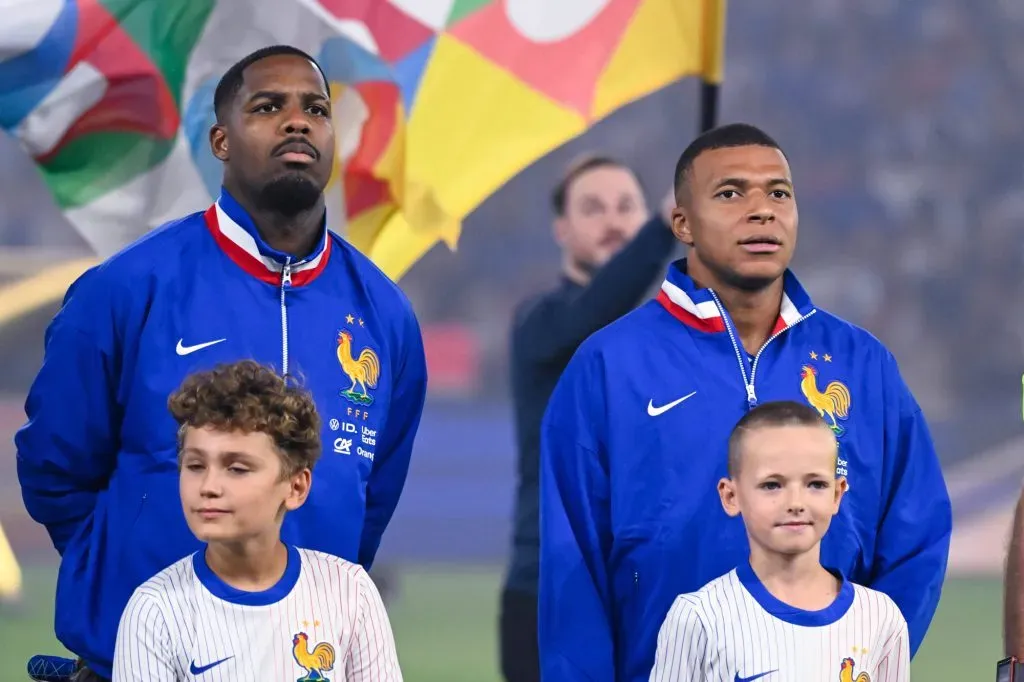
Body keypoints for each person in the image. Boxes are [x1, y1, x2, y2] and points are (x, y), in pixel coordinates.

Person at [16, 45, 426, 681]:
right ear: (221, 140)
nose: (297, 122)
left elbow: (372, 496)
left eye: (315, 109)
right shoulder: (125, 289)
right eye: (268, 107)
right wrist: (125, 573)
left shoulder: (385, 315)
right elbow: (53, 470)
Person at [538, 122, 951, 681]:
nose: (762, 210)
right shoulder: (608, 366)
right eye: (730, 193)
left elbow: (916, 536)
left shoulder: (862, 364)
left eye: (778, 192)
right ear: (681, 222)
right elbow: (572, 566)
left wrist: (860, 658)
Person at [112, 360, 402, 682]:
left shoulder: (351, 592)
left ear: (296, 487)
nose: (208, 487)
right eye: (195, 465)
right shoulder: (154, 611)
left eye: (236, 468)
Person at [502, 154, 677, 682]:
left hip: (648, 591)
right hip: (550, 588)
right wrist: (664, 229)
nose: (615, 222)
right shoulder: (543, 321)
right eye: (594, 208)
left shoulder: (671, 340)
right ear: (562, 228)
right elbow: (595, 312)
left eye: (627, 207)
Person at [649, 400, 909, 682]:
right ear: (730, 496)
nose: (795, 503)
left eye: (815, 484)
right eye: (772, 485)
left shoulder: (880, 617)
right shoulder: (698, 618)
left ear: (837, 494)